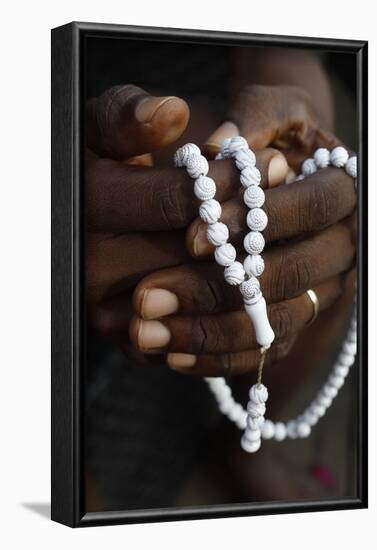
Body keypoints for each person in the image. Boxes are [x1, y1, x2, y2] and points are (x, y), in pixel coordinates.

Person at [85, 45, 356, 510]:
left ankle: (241, 446)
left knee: (318, 235)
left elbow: (285, 41)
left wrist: (294, 73)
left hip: (209, 97)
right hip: (93, 112)